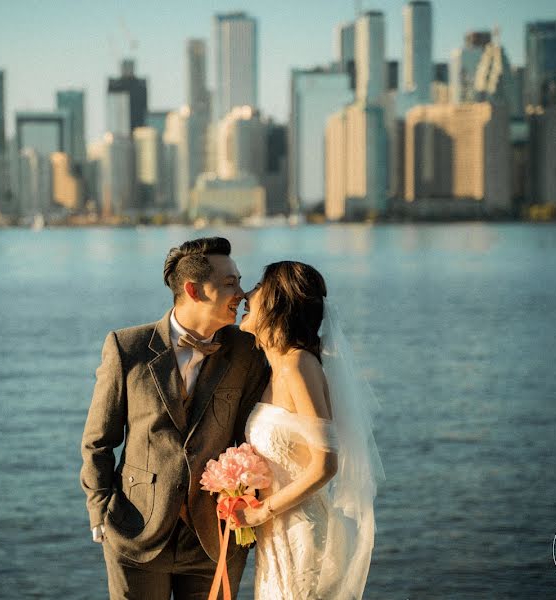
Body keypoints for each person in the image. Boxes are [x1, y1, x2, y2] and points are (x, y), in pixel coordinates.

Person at [80, 237, 269, 600]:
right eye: (230, 282)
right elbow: (98, 441)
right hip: (135, 533)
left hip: (216, 538)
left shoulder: (246, 351)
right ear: (193, 289)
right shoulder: (128, 348)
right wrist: (100, 510)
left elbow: (252, 436)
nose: (242, 293)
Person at [234, 261, 385, 600]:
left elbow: (326, 464)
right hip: (277, 536)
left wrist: (261, 511)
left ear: (277, 302)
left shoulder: (298, 365)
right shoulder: (274, 368)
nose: (247, 294)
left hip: (301, 531)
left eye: (258, 286)